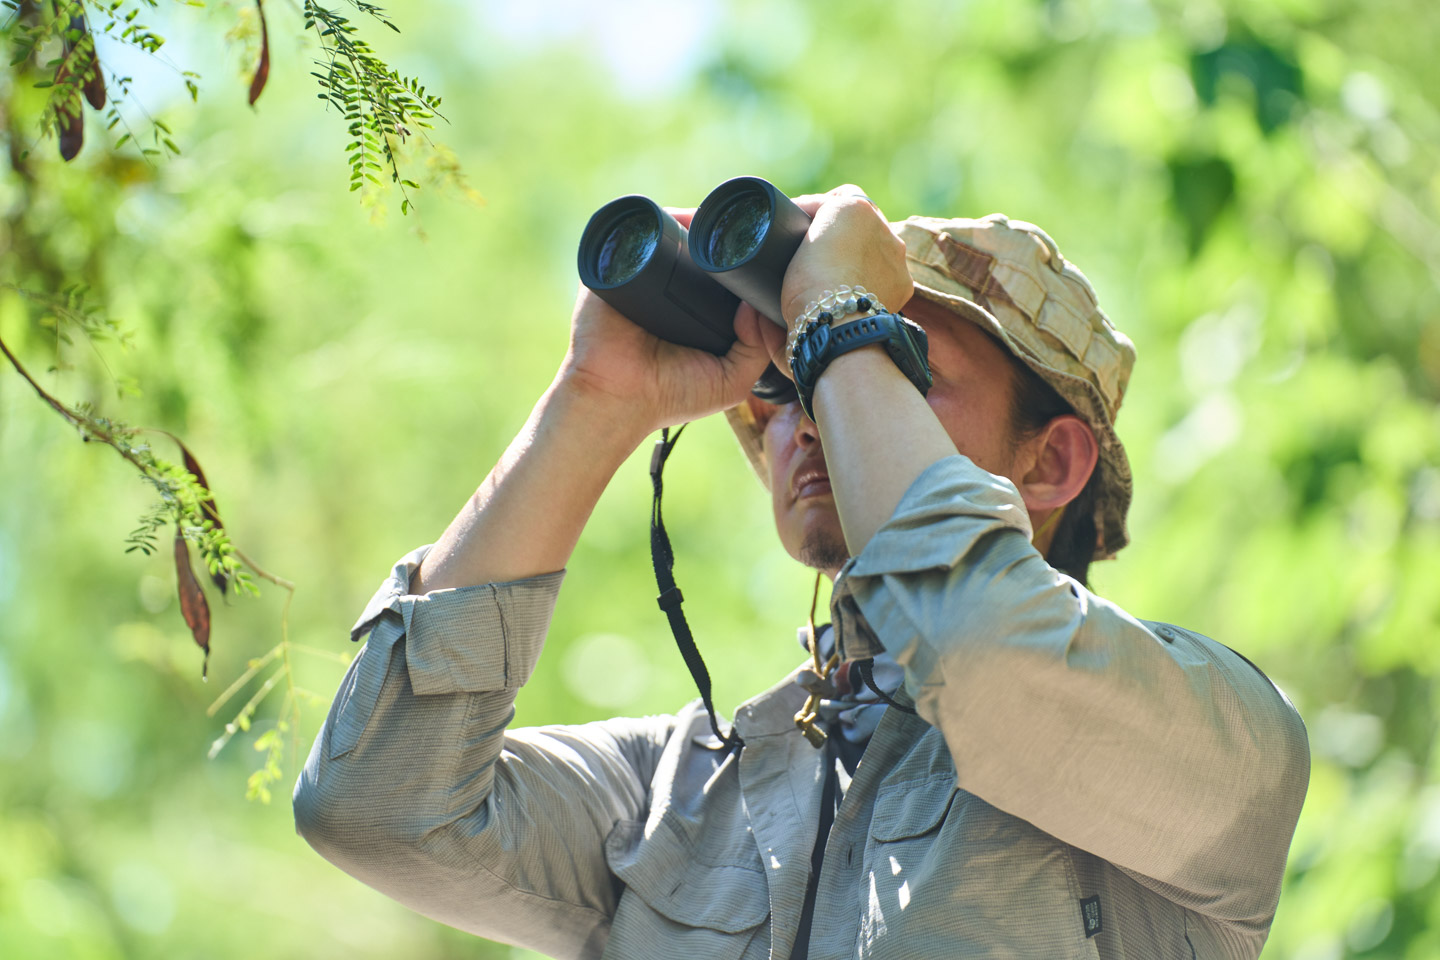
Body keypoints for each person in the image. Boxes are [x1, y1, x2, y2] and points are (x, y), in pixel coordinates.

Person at [293, 186, 1310, 959]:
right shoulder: (674, 794)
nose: (812, 410)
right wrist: (596, 398)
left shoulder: (1214, 737)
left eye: (898, 365)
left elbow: (989, 656)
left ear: (1051, 463)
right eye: (786, 384)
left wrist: (833, 312)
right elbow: (377, 807)